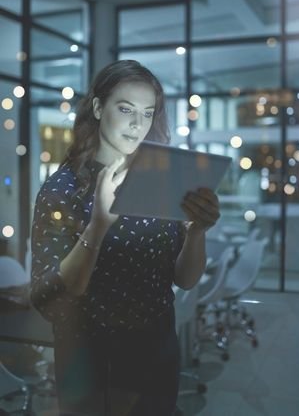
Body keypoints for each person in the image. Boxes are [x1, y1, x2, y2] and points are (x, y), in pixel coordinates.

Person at [30, 59, 221, 416]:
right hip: (90, 359)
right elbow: (46, 298)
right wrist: (98, 226)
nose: (138, 124)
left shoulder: (160, 182)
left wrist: (197, 233)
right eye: (126, 109)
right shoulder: (62, 189)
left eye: (147, 113)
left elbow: (185, 278)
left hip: (156, 350)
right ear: (99, 108)